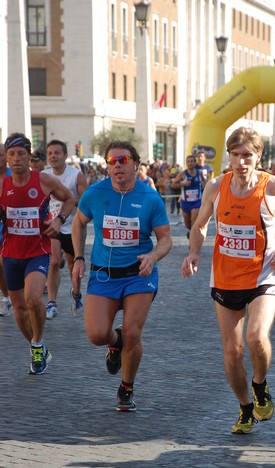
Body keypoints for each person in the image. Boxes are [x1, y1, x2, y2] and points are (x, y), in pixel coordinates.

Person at [181, 127, 275, 434]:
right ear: (229, 156)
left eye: (248, 155)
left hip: (264, 273)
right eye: (236, 155)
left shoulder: (273, 185)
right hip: (225, 276)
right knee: (232, 351)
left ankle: (260, 384)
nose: (242, 162)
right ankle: (245, 406)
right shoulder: (217, 186)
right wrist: (194, 252)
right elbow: (200, 223)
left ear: (258, 157)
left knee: (257, 337)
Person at [71, 140, 172, 411]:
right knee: (97, 334)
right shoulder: (95, 193)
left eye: (123, 160)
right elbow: (78, 223)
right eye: (112, 161)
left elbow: (165, 239)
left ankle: (126, 387)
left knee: (133, 331)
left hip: (139, 275)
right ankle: (115, 344)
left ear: (136, 164)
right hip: (104, 274)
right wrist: (79, 258)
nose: (117, 165)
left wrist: (153, 256)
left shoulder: (150, 198)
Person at [0, 132, 75, 374]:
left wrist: (59, 220)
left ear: (29, 156)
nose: (16, 159)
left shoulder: (42, 180)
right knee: (19, 309)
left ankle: (38, 341)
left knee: (33, 298)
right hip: (11, 254)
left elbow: (69, 198)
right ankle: (37, 348)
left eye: (21, 154)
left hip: (38, 251)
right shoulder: (2, 184)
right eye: (11, 154)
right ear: (7, 158)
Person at [45, 139, 88, 319]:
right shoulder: (44, 175)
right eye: (50, 153)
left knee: (73, 265)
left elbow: (85, 201)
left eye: (57, 153)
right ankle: (51, 303)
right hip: (52, 225)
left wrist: (67, 200)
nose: (53, 156)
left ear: (64, 155)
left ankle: (76, 294)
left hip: (73, 227)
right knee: (54, 261)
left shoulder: (75, 175)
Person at [171, 155, 203, 238]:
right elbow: (173, 184)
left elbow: (205, 183)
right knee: (187, 223)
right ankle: (190, 231)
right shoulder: (182, 174)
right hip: (185, 202)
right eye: (188, 162)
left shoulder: (199, 172)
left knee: (194, 221)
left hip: (196, 201)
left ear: (195, 162)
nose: (190, 163)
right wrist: (183, 184)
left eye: (192, 161)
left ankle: (192, 240)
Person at [0, 143, 12, 317]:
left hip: (12, 229)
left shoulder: (14, 175)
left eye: (1, 154)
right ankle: (6, 297)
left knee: (4, 262)